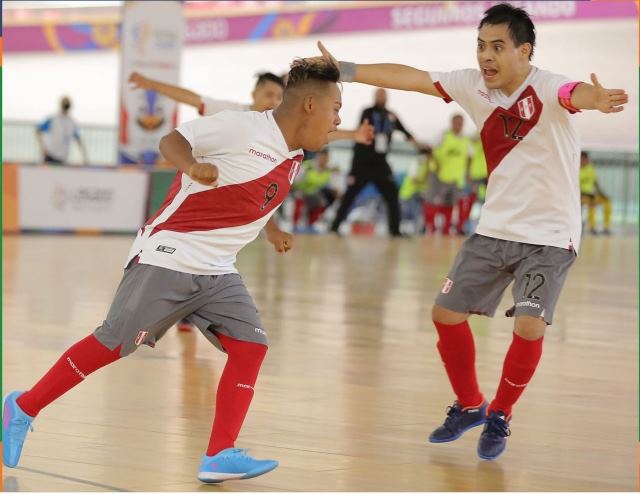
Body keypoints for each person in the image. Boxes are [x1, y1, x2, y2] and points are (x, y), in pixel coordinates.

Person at [3, 57, 343, 483]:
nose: (338, 121)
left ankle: (219, 453)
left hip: (218, 270)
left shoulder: (294, 157)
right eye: (335, 110)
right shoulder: (243, 127)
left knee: (251, 347)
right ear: (309, 105)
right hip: (170, 254)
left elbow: (254, 196)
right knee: (112, 343)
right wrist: (192, 167)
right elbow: (172, 140)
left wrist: (272, 230)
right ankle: (23, 406)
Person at [313, 1, 628, 460]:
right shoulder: (471, 84)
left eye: (498, 47)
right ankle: (469, 404)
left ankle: (500, 413)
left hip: (551, 235)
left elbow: (573, 93)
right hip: (495, 227)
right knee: (445, 314)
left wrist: (595, 100)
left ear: (525, 51)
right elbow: (414, 77)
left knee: (530, 323)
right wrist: (345, 69)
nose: (486, 56)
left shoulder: (548, 85)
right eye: (481, 46)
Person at [330, 88, 419, 237]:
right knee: (350, 195)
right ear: (374, 97)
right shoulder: (368, 112)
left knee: (392, 194)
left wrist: (419, 145)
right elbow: (361, 130)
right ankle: (334, 227)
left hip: (381, 164)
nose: (381, 98)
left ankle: (395, 230)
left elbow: (406, 133)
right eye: (379, 95)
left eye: (383, 95)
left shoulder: (391, 116)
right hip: (362, 162)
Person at [424, 114, 471, 234]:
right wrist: (434, 163)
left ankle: (446, 230)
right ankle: (430, 228)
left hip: (455, 179)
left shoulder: (466, 140)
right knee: (432, 202)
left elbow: (470, 156)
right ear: (452, 122)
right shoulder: (443, 135)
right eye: (456, 122)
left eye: (460, 123)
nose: (458, 125)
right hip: (439, 176)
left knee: (449, 204)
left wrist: (468, 172)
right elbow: (429, 149)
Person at [291, 148, 340, 233]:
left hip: (313, 193)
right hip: (299, 190)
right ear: (318, 157)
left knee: (321, 202)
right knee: (299, 198)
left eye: (326, 158)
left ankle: (311, 225)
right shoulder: (308, 166)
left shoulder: (328, 170)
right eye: (322, 157)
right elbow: (294, 181)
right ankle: (295, 225)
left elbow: (334, 186)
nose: (324, 160)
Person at [36, 96, 88, 164]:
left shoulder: (71, 122)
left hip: (63, 158)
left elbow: (78, 139)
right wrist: (43, 148)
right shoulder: (53, 118)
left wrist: (84, 157)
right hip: (50, 156)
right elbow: (38, 131)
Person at [580, 151, 611, 235]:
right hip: (582, 196)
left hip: (592, 195)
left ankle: (606, 227)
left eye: (586, 159)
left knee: (607, 201)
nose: (584, 161)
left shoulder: (590, 168)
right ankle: (592, 227)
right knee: (592, 204)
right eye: (582, 159)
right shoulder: (576, 169)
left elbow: (595, 183)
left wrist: (602, 193)